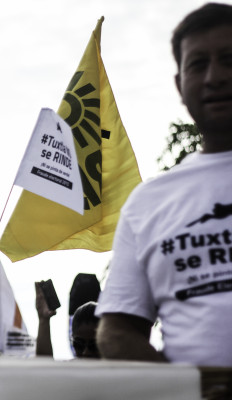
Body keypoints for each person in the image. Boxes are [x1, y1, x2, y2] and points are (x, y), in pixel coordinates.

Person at [96, 2, 232, 370]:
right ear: (179, 84)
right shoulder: (148, 203)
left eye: (228, 59)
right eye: (198, 64)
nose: (214, 77)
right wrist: (191, 389)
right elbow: (117, 331)